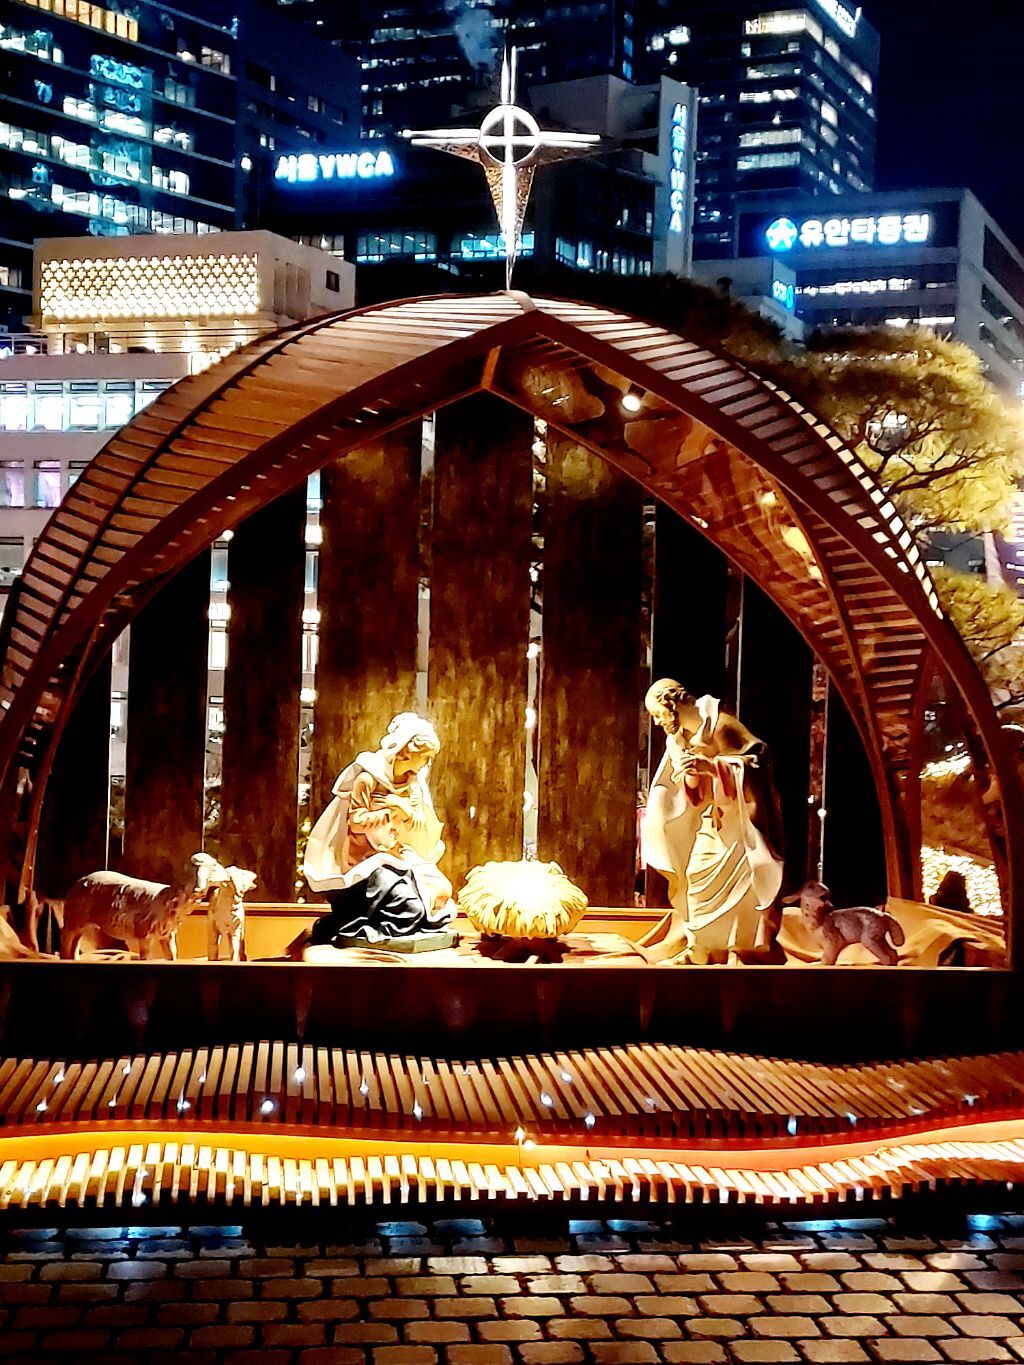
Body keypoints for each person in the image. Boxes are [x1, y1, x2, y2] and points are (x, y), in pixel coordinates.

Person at [641, 679, 784, 963]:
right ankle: (700, 948)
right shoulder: (680, 739)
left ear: (672, 705)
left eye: (658, 714)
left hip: (741, 823)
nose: (657, 722)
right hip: (714, 819)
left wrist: (711, 766)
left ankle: (739, 949)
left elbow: (756, 761)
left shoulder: (722, 726)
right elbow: (693, 791)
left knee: (744, 889)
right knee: (696, 874)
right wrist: (691, 774)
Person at [301, 713, 454, 944]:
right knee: (410, 908)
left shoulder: (414, 785)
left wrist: (405, 812)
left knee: (440, 891)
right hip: (368, 860)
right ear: (405, 752)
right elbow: (356, 821)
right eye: (425, 757)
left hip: (398, 852)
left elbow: (423, 827)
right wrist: (387, 813)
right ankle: (367, 934)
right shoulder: (368, 779)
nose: (427, 763)